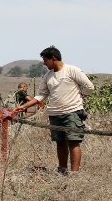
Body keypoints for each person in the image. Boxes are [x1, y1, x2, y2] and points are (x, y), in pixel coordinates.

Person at [15, 46, 94, 175]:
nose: (44, 64)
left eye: (45, 60)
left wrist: (79, 96)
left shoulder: (72, 70)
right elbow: (40, 95)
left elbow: (89, 87)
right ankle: (62, 171)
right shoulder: (47, 76)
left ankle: (75, 175)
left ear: (53, 58)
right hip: (55, 114)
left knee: (73, 142)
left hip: (72, 112)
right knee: (60, 142)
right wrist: (24, 106)